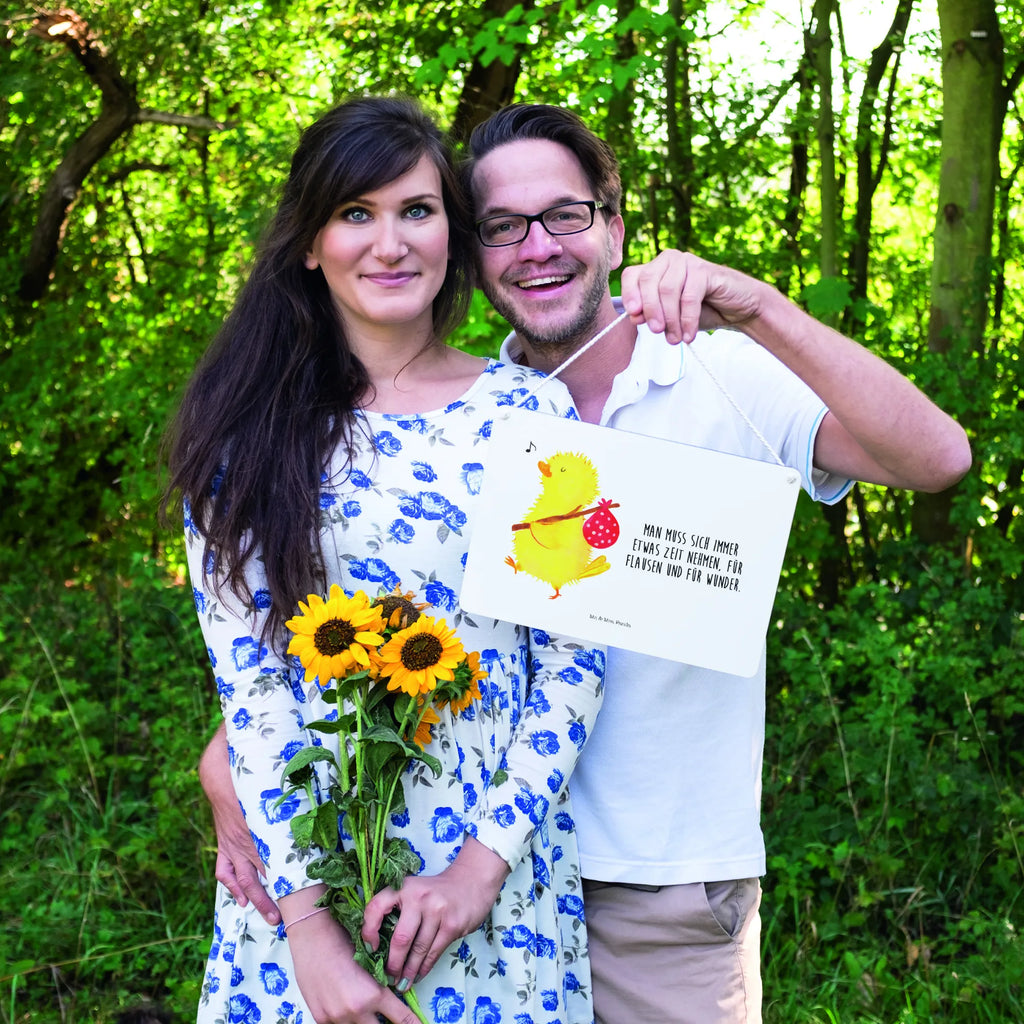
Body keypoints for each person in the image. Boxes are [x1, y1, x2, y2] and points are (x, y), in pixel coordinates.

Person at [201, 102, 972, 1023]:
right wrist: (235, 769)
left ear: (612, 226)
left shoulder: (711, 373)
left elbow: (938, 461)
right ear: (474, 252)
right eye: (502, 227)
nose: (536, 247)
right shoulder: (464, 417)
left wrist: (760, 306)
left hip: (652, 888)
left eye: (564, 215)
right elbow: (334, 630)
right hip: (420, 874)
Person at [165, 96, 609, 1024]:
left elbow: (574, 662)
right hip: (303, 888)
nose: (390, 242)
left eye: (417, 210)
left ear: (452, 229)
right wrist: (312, 937)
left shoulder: (533, 416)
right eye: (355, 214)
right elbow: (252, 692)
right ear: (309, 243)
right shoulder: (243, 438)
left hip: (492, 888)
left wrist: (478, 872)